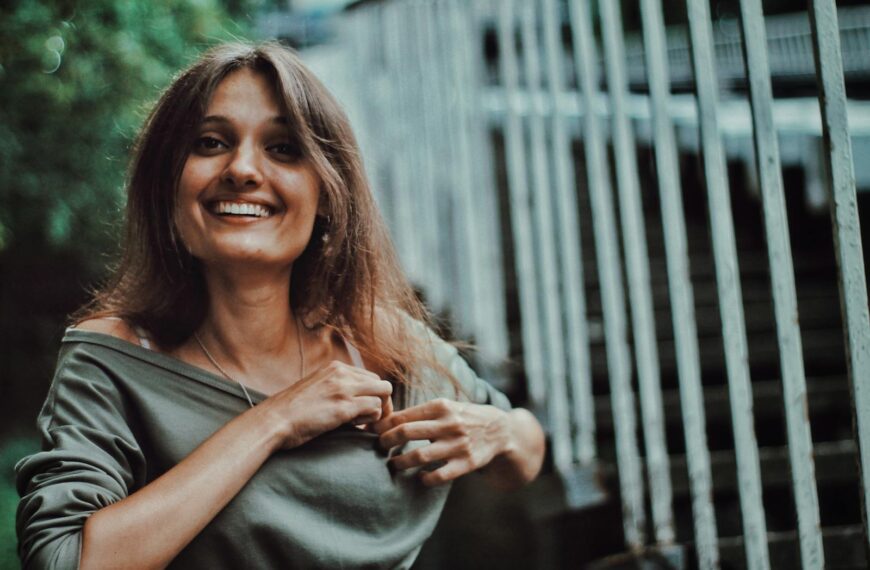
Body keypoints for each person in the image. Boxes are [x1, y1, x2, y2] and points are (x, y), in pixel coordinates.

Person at [15, 41, 545, 569]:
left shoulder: (378, 343)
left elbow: (524, 452)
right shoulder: (115, 359)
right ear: (167, 184)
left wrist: (500, 432)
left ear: (327, 195)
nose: (243, 169)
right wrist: (276, 419)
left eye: (284, 148)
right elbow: (66, 560)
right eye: (210, 142)